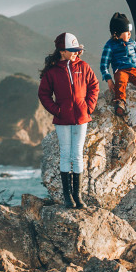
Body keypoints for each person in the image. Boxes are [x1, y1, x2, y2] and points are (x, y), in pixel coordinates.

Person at [38, 32, 99, 209]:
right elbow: (44, 94)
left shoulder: (83, 66)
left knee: (77, 154)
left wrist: (89, 107)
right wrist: (57, 110)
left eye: (77, 50)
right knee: (65, 154)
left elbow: (94, 85)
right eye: (72, 50)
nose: (76, 53)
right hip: (62, 119)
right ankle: (67, 197)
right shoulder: (52, 71)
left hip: (82, 117)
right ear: (62, 51)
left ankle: (77, 196)